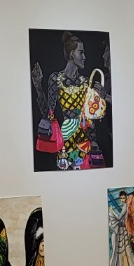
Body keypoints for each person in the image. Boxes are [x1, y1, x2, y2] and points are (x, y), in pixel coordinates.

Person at [32, 33, 106, 170]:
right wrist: (38, 88)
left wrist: (94, 141)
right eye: (81, 52)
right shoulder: (56, 79)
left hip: (84, 140)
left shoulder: (85, 82)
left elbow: (89, 116)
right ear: (72, 54)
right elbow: (48, 114)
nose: (84, 57)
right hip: (66, 138)